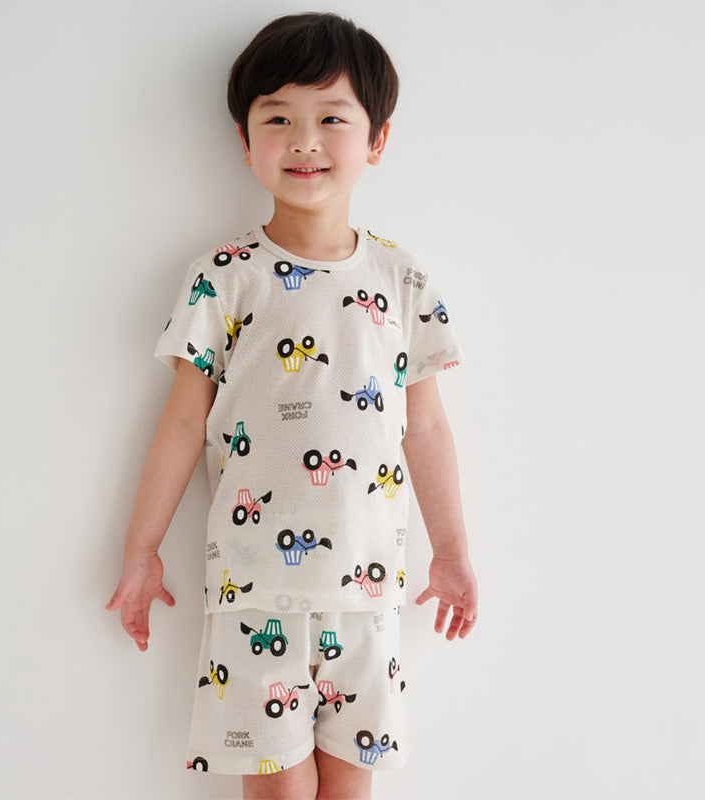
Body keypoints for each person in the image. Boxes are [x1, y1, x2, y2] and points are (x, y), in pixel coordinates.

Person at [106, 12, 478, 800]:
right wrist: (141, 549)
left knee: (348, 788)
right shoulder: (223, 277)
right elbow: (183, 422)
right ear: (246, 142)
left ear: (377, 140)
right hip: (254, 594)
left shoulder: (403, 280)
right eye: (278, 119)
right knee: (278, 790)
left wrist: (452, 551)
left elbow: (427, 428)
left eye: (332, 119)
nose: (305, 140)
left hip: (366, 599)